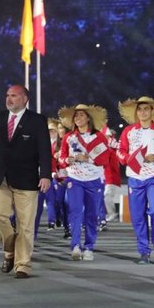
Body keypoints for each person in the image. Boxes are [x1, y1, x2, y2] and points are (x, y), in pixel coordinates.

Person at [0, 84, 51, 279]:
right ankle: (10, 249)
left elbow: (44, 150)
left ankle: (23, 264)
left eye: (14, 96)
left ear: (25, 99)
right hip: (0, 178)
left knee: (25, 224)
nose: (9, 99)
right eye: (7, 95)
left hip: (27, 179)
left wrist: (46, 175)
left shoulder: (37, 121)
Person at [117, 96, 154, 265]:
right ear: (136, 112)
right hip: (135, 177)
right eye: (139, 109)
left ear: (152, 111)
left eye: (146, 109)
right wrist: (129, 158)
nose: (142, 112)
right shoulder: (128, 131)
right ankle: (143, 251)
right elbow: (120, 152)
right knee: (137, 216)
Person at [57, 104, 109, 261]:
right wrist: (67, 159)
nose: (78, 118)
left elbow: (105, 159)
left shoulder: (98, 137)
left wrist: (88, 158)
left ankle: (89, 247)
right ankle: (75, 246)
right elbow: (61, 158)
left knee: (92, 214)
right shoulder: (68, 137)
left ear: (88, 118)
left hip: (94, 180)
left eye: (81, 115)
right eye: (76, 116)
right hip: (75, 179)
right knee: (75, 211)